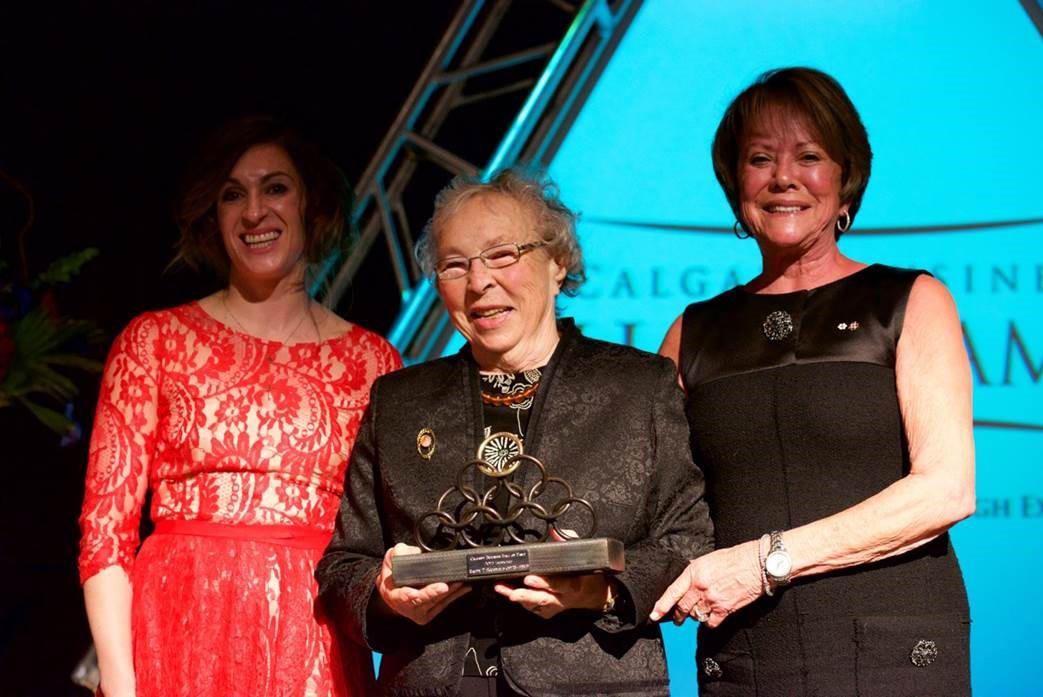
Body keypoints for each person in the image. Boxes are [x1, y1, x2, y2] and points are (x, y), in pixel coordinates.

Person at [315, 168, 713, 697]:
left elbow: (688, 540)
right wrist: (385, 595)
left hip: (590, 683)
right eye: (455, 264)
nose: (480, 282)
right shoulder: (400, 401)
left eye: (503, 255)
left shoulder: (638, 386)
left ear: (558, 262)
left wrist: (603, 592)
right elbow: (344, 564)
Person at [651, 67, 975, 695]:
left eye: (809, 156)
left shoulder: (910, 300)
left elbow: (946, 493)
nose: (783, 178)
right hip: (743, 657)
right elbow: (649, 500)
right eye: (760, 158)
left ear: (845, 176)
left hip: (895, 650)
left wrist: (765, 561)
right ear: (734, 183)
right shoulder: (692, 332)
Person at [78, 116, 401, 697]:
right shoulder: (153, 342)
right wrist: (122, 684)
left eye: (274, 187)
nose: (254, 212)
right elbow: (104, 534)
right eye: (233, 194)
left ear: (312, 203)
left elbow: (382, 545)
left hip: (312, 650)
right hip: (172, 639)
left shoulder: (373, 361)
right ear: (214, 215)